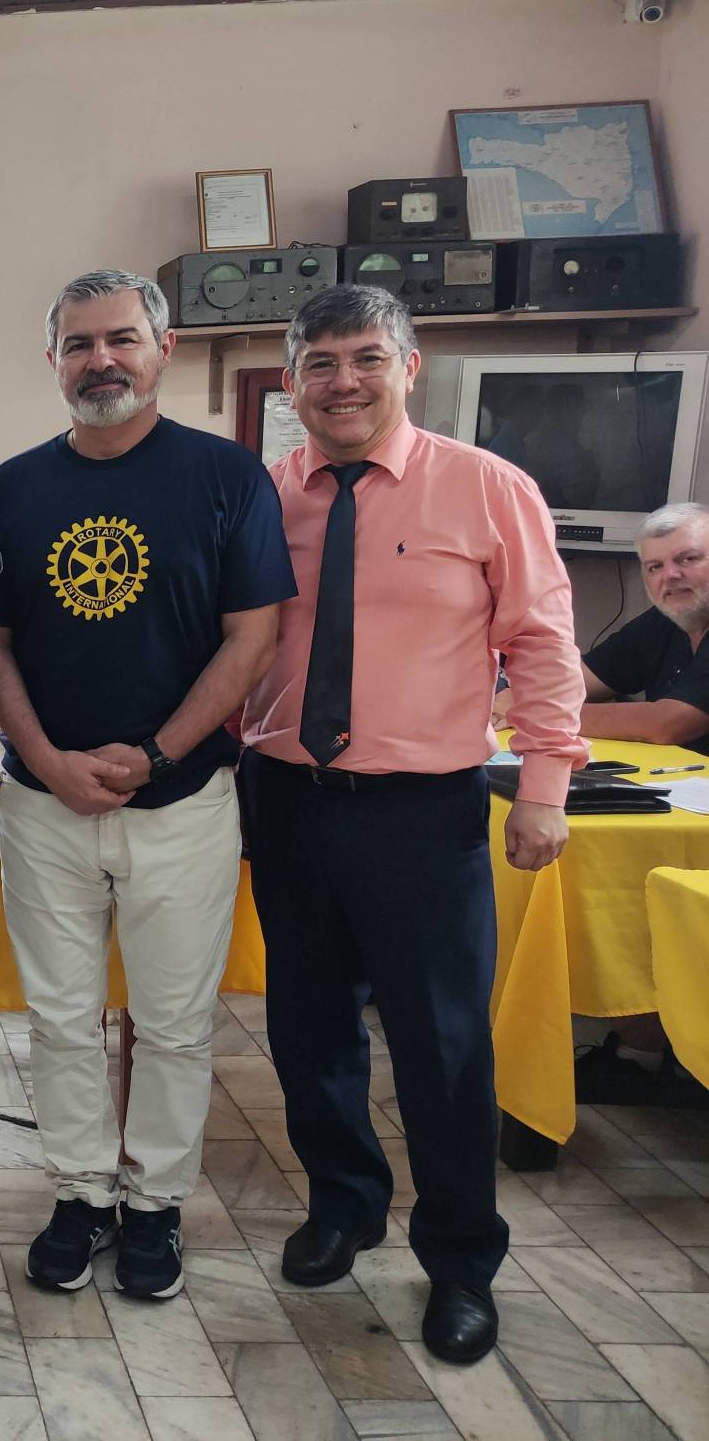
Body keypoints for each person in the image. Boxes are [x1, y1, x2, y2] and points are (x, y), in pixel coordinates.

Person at [240, 284, 585, 1365]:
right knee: (307, 1029)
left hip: (422, 811)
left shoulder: (485, 488)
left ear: (408, 365)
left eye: (365, 358)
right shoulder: (262, 496)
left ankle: (460, 1259)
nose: (342, 381)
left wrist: (545, 785)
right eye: (320, 363)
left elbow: (541, 642)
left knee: (441, 1046)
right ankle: (344, 1205)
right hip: (285, 798)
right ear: (291, 381)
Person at [0, 269, 293, 1299]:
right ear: (53, 361)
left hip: (183, 801)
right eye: (78, 344)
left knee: (173, 1024)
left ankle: (153, 1205)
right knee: (61, 1019)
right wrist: (45, 760)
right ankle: (79, 1194)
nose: (99, 360)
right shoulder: (13, 488)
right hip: (42, 802)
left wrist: (155, 753)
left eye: (120, 339)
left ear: (163, 350)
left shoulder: (226, 476)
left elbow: (251, 638)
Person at [579, 501, 709, 754]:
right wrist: (522, 694)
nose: (670, 575)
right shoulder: (666, 618)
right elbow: (580, 680)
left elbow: (667, 724)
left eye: (688, 559)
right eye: (655, 566)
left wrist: (540, 713)